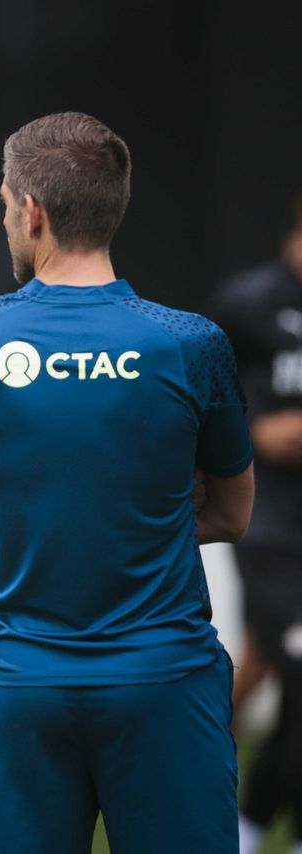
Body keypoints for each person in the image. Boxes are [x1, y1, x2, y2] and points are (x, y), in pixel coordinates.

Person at [0, 112, 255, 853]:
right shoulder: (191, 343)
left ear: (33, 212)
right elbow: (234, 515)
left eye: (6, 207)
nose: (7, 222)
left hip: (22, 681)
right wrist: (142, 512)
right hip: (165, 679)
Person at [206, 194, 302, 854]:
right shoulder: (246, 305)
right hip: (267, 529)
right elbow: (204, 398)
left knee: (278, 675)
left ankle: (246, 825)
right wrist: (251, 432)